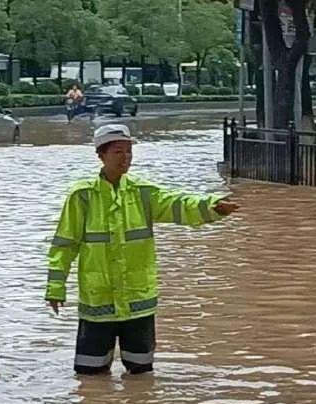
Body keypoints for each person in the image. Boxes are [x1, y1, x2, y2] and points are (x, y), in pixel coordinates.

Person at [46, 124, 239, 375]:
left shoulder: (142, 192)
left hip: (138, 299)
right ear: (101, 155)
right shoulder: (82, 196)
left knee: (141, 374)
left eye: (128, 152)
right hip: (98, 300)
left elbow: (177, 204)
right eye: (118, 152)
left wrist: (211, 207)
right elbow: (64, 245)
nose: (125, 158)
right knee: (89, 374)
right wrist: (55, 288)